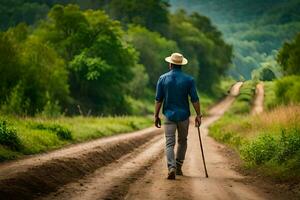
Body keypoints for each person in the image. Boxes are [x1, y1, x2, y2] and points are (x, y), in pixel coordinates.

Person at [154, 52, 202, 180]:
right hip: (183, 116)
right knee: (182, 141)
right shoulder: (189, 80)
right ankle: (179, 166)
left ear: (170, 64)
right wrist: (198, 115)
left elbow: (159, 99)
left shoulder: (162, 79)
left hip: (169, 116)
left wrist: (156, 115)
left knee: (169, 143)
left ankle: (171, 168)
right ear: (181, 65)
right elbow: (195, 99)